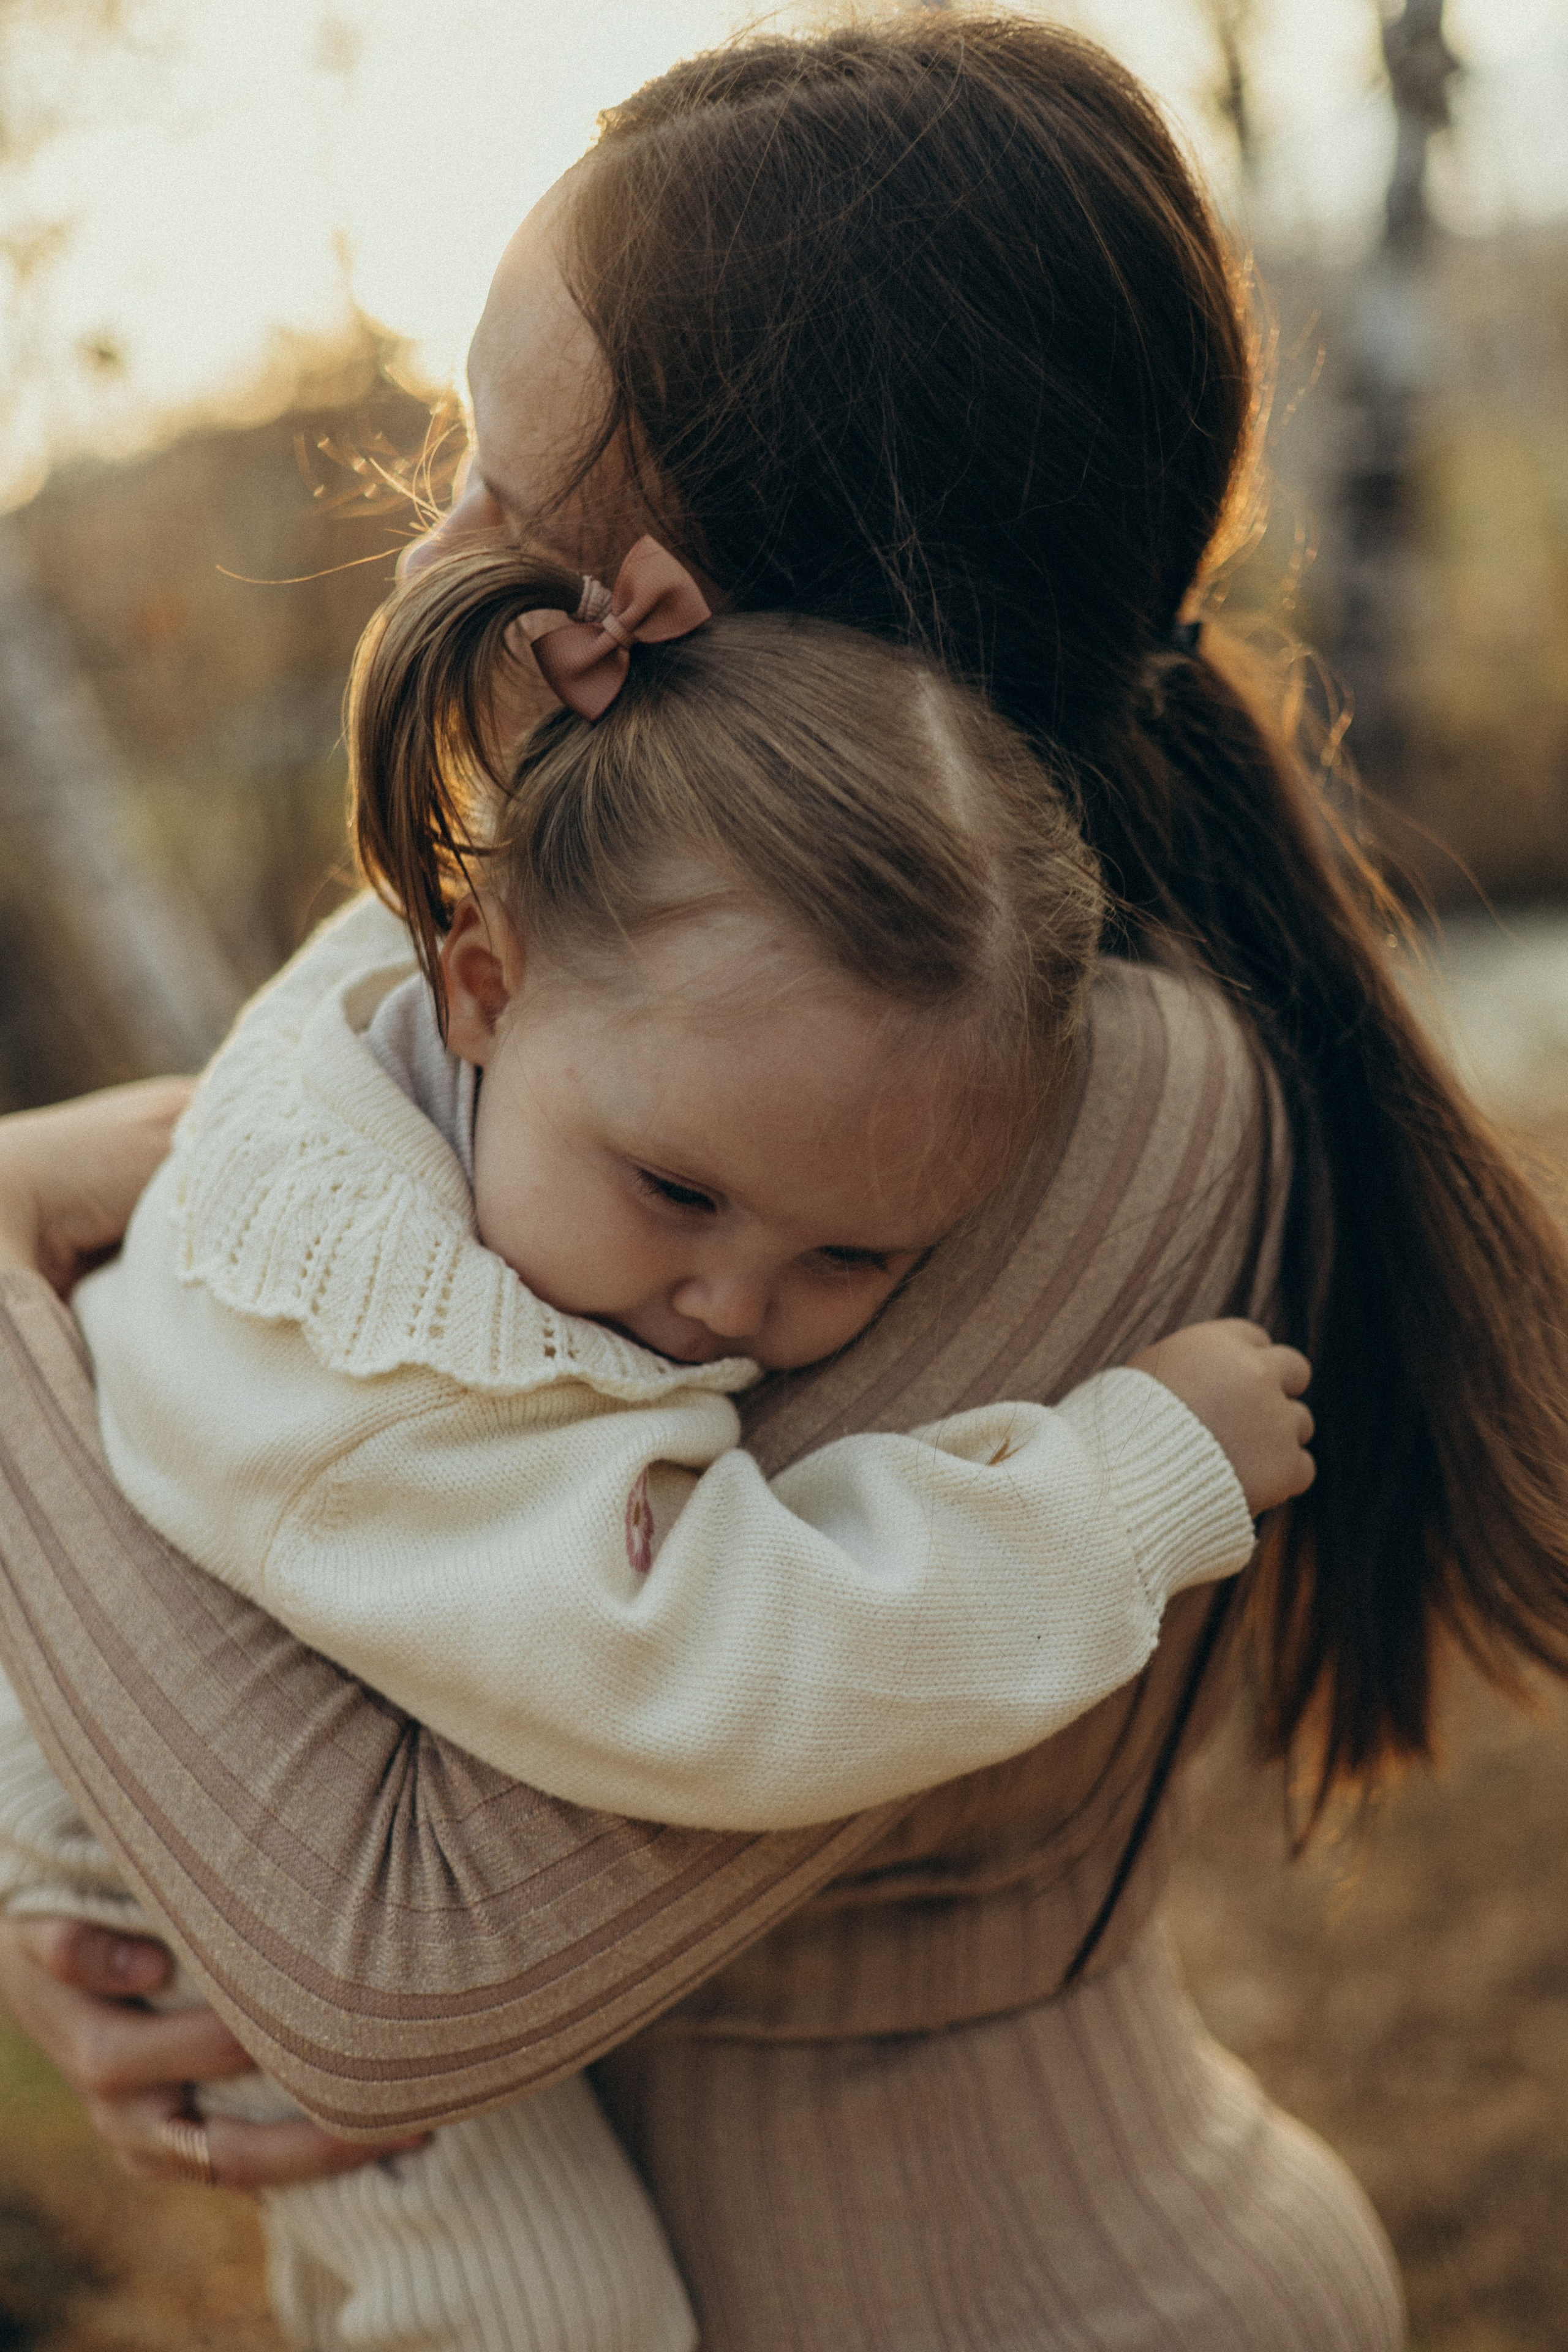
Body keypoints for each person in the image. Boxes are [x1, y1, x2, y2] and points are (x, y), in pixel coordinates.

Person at [2, 17, 1566, 2346]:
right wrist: (106, 1912)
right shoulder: (609, 971)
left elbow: (387, 1969)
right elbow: (251, 1493)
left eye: (509, 506)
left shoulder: (1074, 1089)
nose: (433, 557)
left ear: (772, 594)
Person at [1, 535, 1311, 2352]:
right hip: (157, 1832)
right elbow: (708, 1656)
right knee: (551, 2314)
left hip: (192, 1669)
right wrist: (1116, 1489)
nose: (728, 1306)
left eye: (855, 1257)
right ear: (479, 987)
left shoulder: (479, 1007)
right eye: (678, 1191)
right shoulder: (409, 1381)